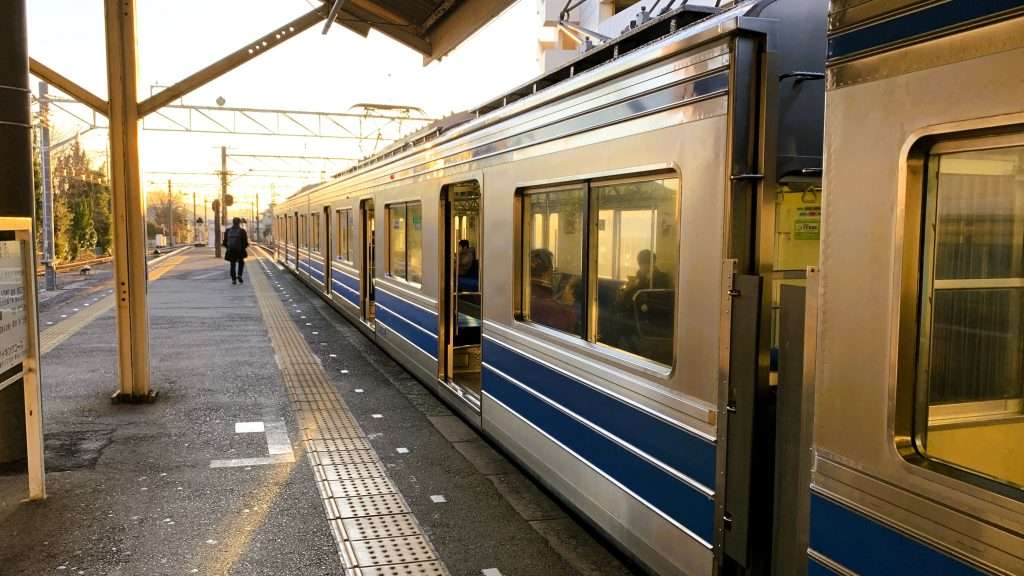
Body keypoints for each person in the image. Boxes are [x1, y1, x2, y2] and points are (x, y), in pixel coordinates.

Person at [529, 248, 577, 333]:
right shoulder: (551, 308)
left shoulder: (524, 294)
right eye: (552, 270)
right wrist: (566, 304)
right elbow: (567, 328)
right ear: (548, 272)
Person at [222, 217, 249, 285]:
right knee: (241, 263)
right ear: (239, 223)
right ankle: (239, 275)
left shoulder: (228, 230)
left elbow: (224, 242)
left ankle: (233, 279)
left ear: (233, 222)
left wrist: (229, 248)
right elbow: (245, 243)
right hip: (240, 251)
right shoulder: (242, 231)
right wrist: (242, 248)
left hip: (231, 251)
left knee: (232, 264)